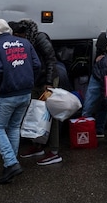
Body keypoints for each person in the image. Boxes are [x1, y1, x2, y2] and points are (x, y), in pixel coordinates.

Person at [0, 19, 41, 184]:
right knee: (14, 127)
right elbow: (37, 65)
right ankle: (9, 164)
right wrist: (29, 81)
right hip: (25, 93)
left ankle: (11, 163)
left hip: (7, 94)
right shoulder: (24, 43)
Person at [12, 19, 72, 166]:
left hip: (47, 80)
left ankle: (54, 151)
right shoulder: (26, 40)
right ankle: (38, 146)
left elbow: (51, 60)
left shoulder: (40, 38)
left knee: (49, 115)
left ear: (23, 33)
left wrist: (49, 83)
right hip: (36, 81)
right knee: (35, 114)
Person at [80, 31, 107, 138]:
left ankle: (83, 130)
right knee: (104, 105)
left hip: (97, 76)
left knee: (89, 103)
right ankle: (99, 129)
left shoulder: (102, 38)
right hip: (106, 77)